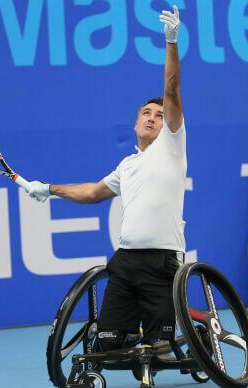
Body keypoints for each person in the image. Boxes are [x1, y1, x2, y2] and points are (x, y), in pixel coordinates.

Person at [26, 6, 186, 349]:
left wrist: (171, 42)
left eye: (159, 116)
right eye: (145, 113)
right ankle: (131, 342)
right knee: (108, 346)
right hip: (125, 261)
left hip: (162, 262)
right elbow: (92, 193)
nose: (152, 118)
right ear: (134, 124)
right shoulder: (127, 166)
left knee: (162, 350)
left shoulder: (172, 145)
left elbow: (171, 89)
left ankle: (172, 343)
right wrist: (49, 189)